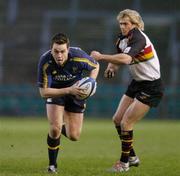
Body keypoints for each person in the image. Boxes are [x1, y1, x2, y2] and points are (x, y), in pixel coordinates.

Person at [91, 9, 164, 173]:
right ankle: (132, 157)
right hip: (137, 83)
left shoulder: (138, 38)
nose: (123, 26)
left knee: (126, 122)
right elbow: (118, 58)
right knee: (117, 119)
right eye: (121, 23)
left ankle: (124, 164)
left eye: (126, 24)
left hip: (152, 86)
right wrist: (111, 67)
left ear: (135, 24)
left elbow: (126, 58)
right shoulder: (122, 39)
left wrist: (101, 57)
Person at [37, 33, 99, 173]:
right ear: (51, 50)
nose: (59, 55)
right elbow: (44, 92)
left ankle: (59, 126)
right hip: (56, 92)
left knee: (74, 136)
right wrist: (68, 90)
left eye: (62, 51)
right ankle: (52, 165)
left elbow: (95, 66)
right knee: (55, 128)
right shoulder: (45, 61)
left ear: (68, 49)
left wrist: (92, 82)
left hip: (76, 92)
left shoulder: (78, 56)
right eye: (56, 51)